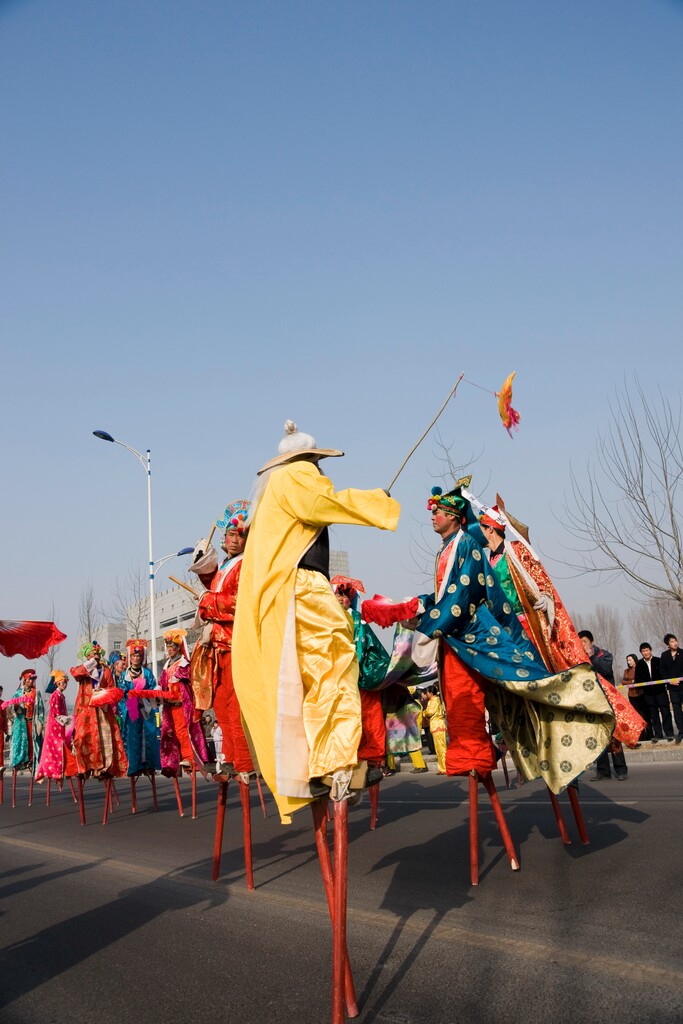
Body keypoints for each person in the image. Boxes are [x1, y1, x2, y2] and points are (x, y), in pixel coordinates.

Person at [232, 419, 399, 823]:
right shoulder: (297, 476)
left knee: (308, 682)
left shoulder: (276, 487)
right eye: (318, 463)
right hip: (304, 590)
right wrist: (376, 502)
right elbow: (324, 502)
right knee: (335, 671)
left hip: (290, 593)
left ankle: (325, 764)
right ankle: (336, 764)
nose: (321, 472)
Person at [401, 481, 615, 792]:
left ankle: (565, 747)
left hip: (512, 626)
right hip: (478, 627)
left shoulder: (509, 552)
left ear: (495, 530)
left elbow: (531, 582)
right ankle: (506, 747)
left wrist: (543, 597)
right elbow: (452, 592)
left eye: (487, 528)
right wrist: (418, 608)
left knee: (533, 688)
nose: (483, 532)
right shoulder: (474, 556)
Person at [190, 499, 254, 779]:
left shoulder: (249, 565)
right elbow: (214, 585)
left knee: (237, 706)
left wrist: (208, 602)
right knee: (223, 706)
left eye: (241, 534)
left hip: (238, 645)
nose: (235, 539)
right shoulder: (229, 565)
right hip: (219, 647)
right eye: (231, 533)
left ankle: (244, 762)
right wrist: (203, 562)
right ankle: (230, 757)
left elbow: (241, 602)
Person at [333, 576, 391, 772]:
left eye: (345, 596)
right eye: (338, 595)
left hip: (359, 682)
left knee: (369, 726)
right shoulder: (328, 622)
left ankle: (374, 762)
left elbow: (361, 652)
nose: (340, 599)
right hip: (338, 685)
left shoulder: (359, 623)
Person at [70, 642, 128, 778]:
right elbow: (75, 674)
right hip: (86, 710)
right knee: (83, 737)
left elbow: (111, 687)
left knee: (105, 736)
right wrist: (90, 664)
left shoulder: (106, 670)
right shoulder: (83, 670)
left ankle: (105, 767)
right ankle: (85, 766)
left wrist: (104, 692)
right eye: (92, 654)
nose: (95, 656)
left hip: (102, 709)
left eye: (96, 654)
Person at [578, 631, 628, 780]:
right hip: (593, 703)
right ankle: (603, 771)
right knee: (598, 737)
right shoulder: (580, 659)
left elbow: (606, 670)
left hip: (608, 702)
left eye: (585, 641)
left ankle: (621, 770)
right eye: (580, 641)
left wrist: (592, 657)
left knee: (614, 736)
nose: (582, 644)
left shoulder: (604, 655)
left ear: (591, 642)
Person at [158, 629, 209, 776]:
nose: (170, 651)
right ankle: (170, 762)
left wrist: (179, 678)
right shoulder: (167, 665)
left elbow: (189, 676)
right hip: (167, 705)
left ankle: (188, 757)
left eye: (172, 648)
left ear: (178, 648)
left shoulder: (183, 663)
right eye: (168, 648)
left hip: (180, 704)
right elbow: (162, 682)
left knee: (182, 731)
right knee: (168, 734)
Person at [118, 639, 161, 776]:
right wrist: (127, 707)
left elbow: (153, 689)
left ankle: (149, 765)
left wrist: (149, 699)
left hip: (146, 705)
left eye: (139, 656)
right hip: (131, 705)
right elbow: (121, 694)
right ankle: (135, 765)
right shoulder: (125, 675)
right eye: (134, 656)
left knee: (149, 732)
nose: (136, 658)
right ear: (129, 658)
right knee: (133, 734)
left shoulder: (147, 673)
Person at [35, 670, 78, 782]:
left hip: (60, 727)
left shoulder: (60, 695)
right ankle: (55, 771)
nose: (65, 684)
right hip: (55, 728)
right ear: (57, 683)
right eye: (63, 682)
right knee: (56, 751)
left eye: (66, 682)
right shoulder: (55, 695)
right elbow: (56, 714)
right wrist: (68, 719)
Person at [634, 642, 673, 742]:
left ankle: (669, 734)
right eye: (643, 651)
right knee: (653, 715)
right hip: (648, 694)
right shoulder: (639, 664)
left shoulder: (658, 661)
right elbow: (637, 679)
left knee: (665, 713)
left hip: (660, 692)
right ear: (641, 653)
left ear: (650, 650)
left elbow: (664, 674)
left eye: (647, 650)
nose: (645, 652)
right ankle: (658, 734)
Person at [660, 634, 683, 743]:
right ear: (668, 644)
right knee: (677, 710)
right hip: (673, 689)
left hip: (682, 685)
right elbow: (662, 670)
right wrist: (670, 680)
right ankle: (681, 731)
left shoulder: (682, 653)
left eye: (675, 641)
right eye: (672, 642)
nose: (675, 643)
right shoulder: (664, 655)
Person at [422, 686, 447, 774]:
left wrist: (424, 713)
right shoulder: (432, 700)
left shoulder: (435, 700)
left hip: (438, 726)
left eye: (427, 692)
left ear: (431, 693)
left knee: (441, 748)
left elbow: (429, 712)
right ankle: (442, 768)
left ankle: (444, 768)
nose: (426, 694)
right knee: (438, 748)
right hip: (435, 726)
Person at [0, 686, 6, 774]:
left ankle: (0, 765)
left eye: (1, 691)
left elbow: (5, 717)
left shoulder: (3, 703)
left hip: (0, 729)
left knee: (0, 748)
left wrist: (6, 730)